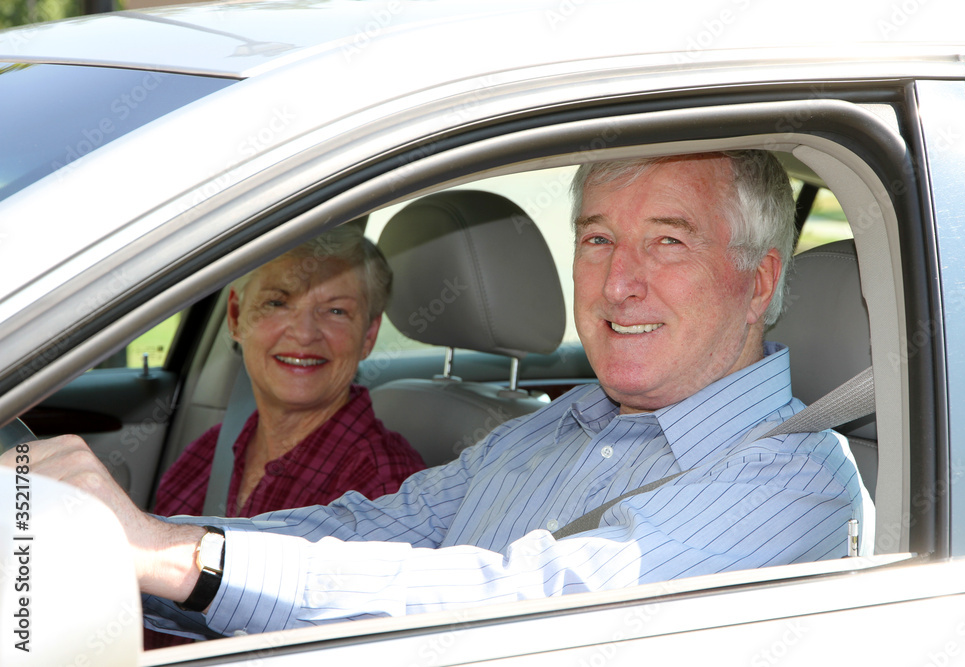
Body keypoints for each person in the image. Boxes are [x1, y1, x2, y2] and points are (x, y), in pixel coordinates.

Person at [4, 151, 871, 641]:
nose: (617, 285)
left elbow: (515, 602)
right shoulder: (554, 427)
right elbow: (372, 527)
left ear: (758, 281)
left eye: (667, 243)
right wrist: (145, 544)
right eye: (599, 238)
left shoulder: (793, 480)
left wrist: (178, 558)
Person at [152, 226, 426, 520]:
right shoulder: (206, 454)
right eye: (277, 303)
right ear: (235, 317)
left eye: (335, 311)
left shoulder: (384, 491)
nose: (305, 334)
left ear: (369, 336)